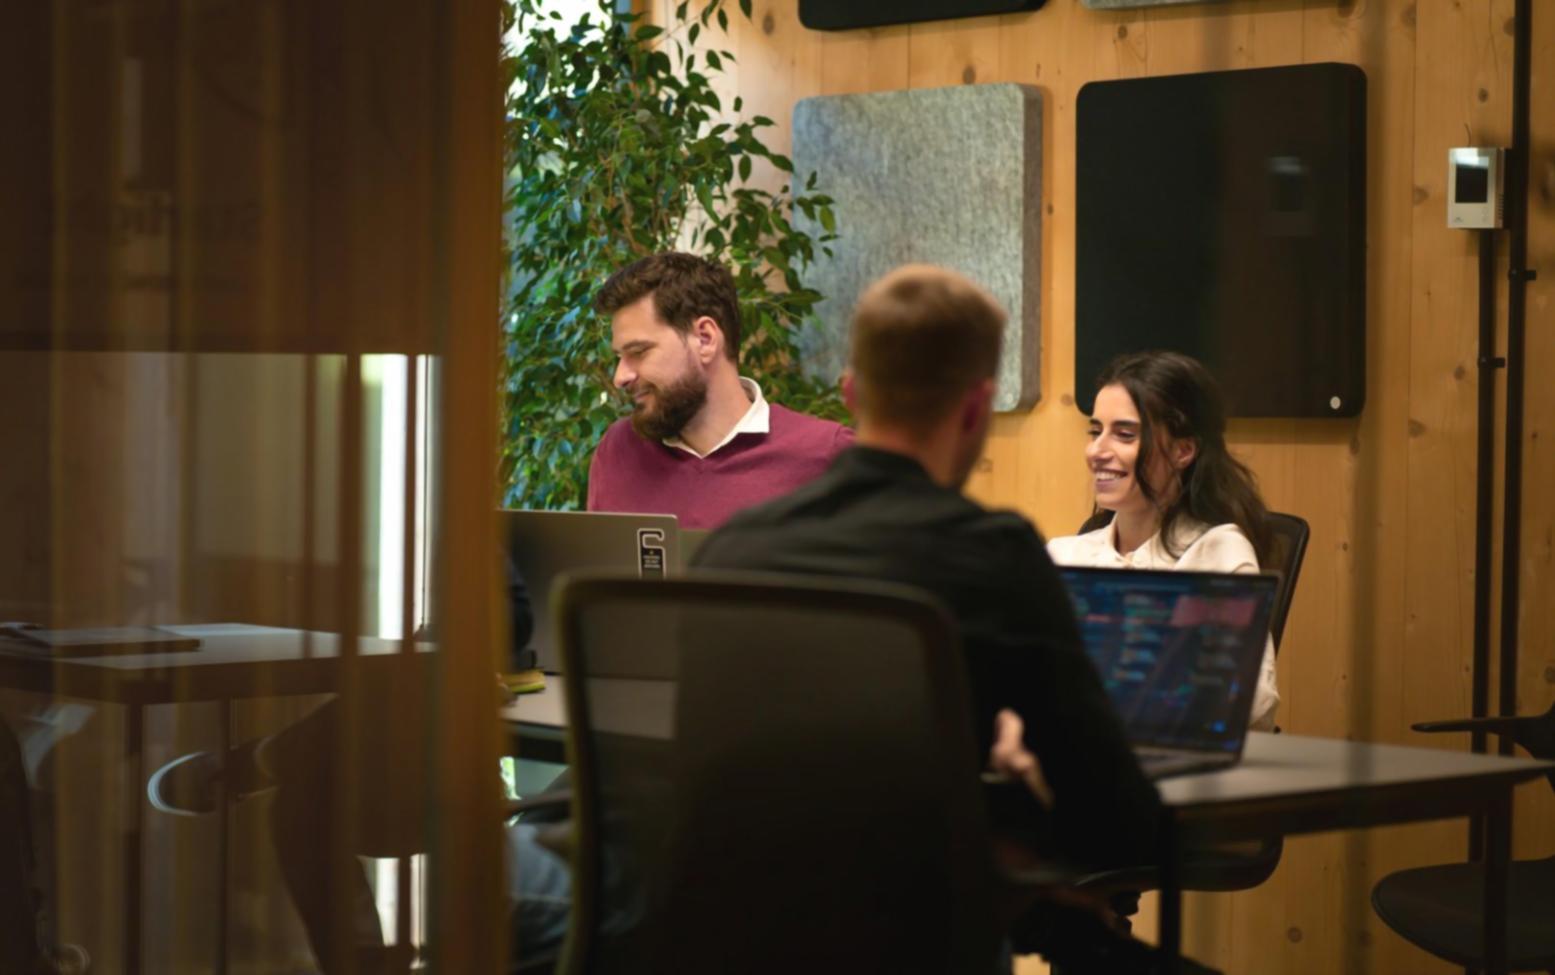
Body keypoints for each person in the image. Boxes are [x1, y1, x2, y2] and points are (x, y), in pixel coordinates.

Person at [691, 265, 1162, 871]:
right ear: (978, 408)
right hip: (910, 930)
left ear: (852, 393)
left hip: (733, 924)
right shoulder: (993, 557)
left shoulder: (735, 548)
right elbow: (1116, 811)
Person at [1046, 350, 1280, 730]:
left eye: (1124, 434)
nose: (1096, 451)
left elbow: (1251, 702)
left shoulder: (1217, 552)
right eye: (1095, 431)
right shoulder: (1063, 555)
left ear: (1182, 450)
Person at [587, 252, 853, 530]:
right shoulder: (617, 452)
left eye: (639, 351)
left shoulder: (828, 456)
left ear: (705, 339)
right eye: (619, 356)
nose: (620, 377)